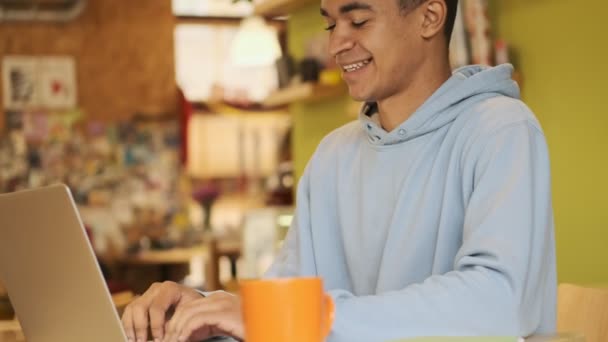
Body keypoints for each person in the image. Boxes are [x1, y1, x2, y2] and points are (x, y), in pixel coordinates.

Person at [121, 0, 557, 341]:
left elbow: (498, 302)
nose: (335, 45)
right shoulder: (333, 156)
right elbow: (285, 301)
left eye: (359, 21)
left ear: (429, 17)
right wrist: (200, 311)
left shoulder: (501, 130)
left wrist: (312, 320)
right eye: (331, 24)